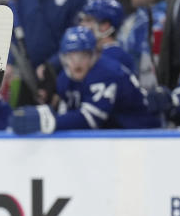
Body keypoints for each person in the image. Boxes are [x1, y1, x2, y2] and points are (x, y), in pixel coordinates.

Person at [10, 25, 161, 134]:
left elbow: (90, 119)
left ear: (93, 55)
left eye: (82, 55)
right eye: (71, 56)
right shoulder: (64, 78)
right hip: (115, 135)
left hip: (143, 133)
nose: (76, 62)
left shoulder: (107, 73)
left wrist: (48, 121)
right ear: (63, 58)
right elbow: (68, 112)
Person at [15, 0, 91, 104]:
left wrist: (52, 66)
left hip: (63, 77)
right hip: (28, 76)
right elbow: (18, 28)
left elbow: (79, 38)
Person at [79, 0, 136, 73]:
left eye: (88, 20)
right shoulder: (94, 52)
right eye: (82, 20)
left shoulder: (116, 56)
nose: (82, 25)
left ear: (105, 26)